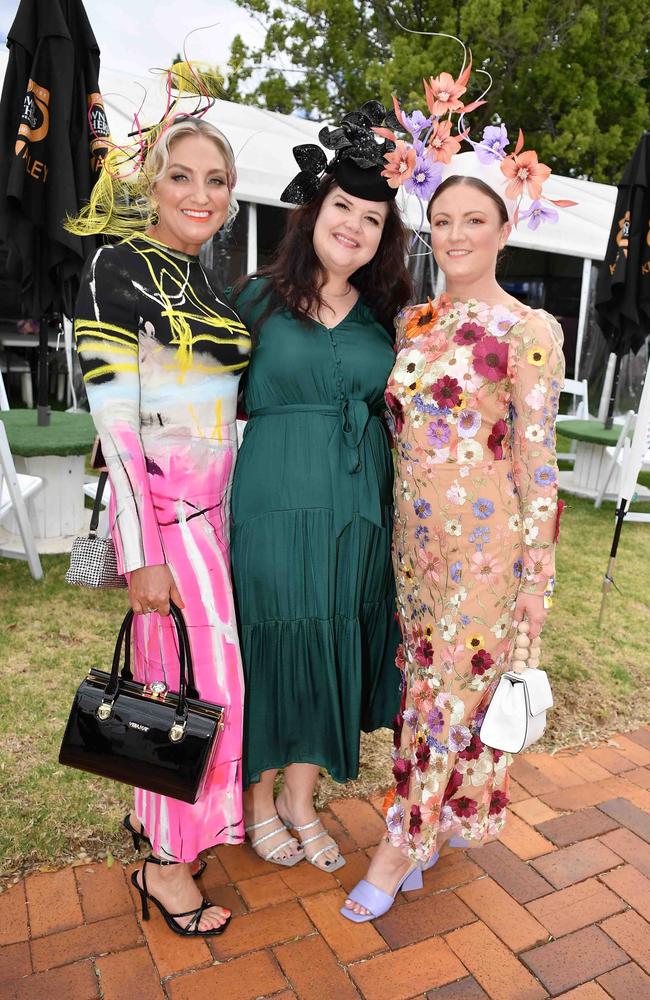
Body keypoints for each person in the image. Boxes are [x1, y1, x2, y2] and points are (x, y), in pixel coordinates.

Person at [343, 65, 568, 919]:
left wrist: (534, 591)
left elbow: (540, 470)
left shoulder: (529, 330)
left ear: (506, 227)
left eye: (474, 219)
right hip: (416, 543)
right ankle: (426, 822)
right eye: (442, 220)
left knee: (446, 691)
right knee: (423, 687)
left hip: (488, 552)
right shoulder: (417, 322)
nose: (456, 233)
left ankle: (401, 837)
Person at [69, 102, 251, 935]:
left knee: (179, 687)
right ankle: (167, 868)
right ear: (153, 182)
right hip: (164, 520)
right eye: (183, 176)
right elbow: (114, 422)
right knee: (204, 692)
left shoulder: (208, 279)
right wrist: (141, 552)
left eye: (216, 180)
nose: (200, 193)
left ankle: (163, 832)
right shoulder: (114, 266)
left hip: (213, 520)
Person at [228, 105, 413, 870]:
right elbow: (198, 410)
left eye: (372, 220)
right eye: (343, 207)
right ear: (313, 211)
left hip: (357, 510)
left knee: (335, 630)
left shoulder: (389, 316)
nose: (355, 227)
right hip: (273, 501)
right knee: (272, 638)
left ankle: (302, 797)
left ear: (382, 237)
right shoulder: (253, 300)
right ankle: (255, 797)